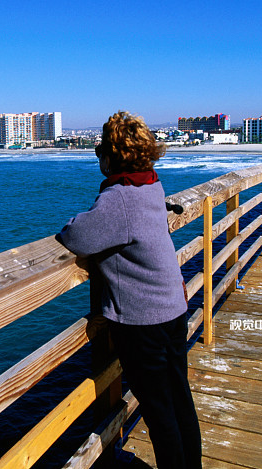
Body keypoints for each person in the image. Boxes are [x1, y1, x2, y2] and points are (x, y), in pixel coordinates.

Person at [57, 111, 203, 468]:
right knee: (179, 399)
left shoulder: (120, 197)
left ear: (111, 156)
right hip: (171, 308)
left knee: (160, 413)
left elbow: (76, 236)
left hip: (143, 321)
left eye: (101, 152)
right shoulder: (151, 186)